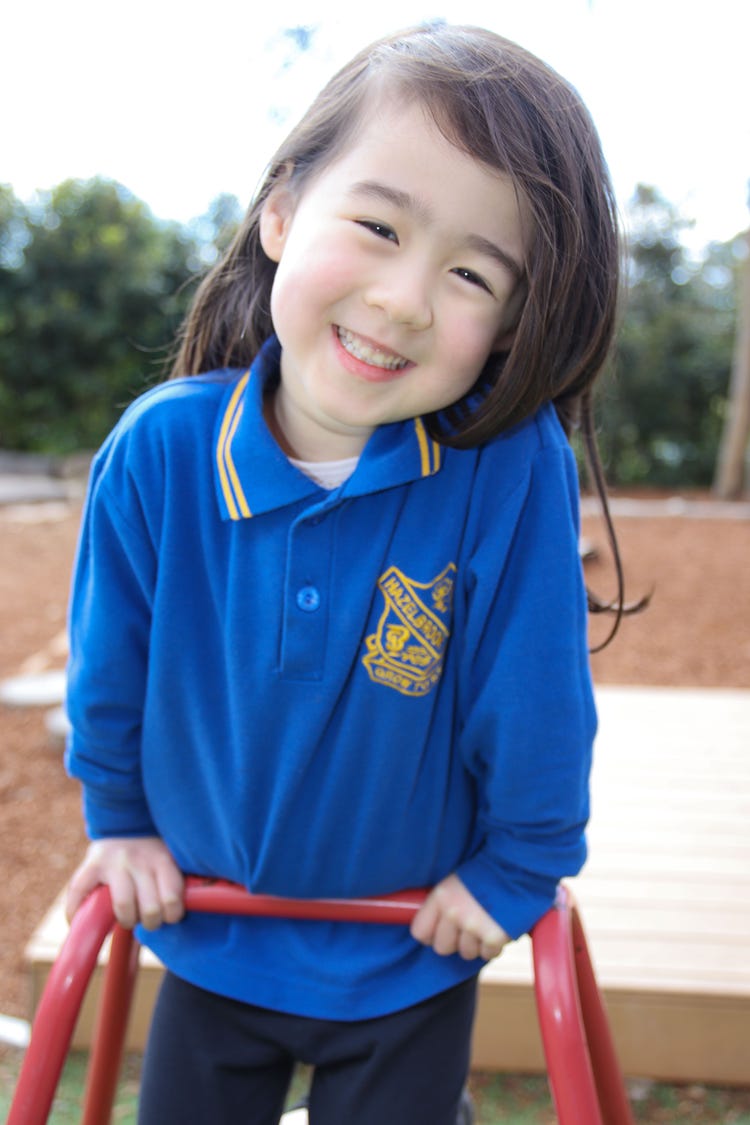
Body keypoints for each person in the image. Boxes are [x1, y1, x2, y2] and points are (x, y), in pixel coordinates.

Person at [64, 22, 628, 1125]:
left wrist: (521, 864)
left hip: (411, 937)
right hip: (214, 932)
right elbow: (112, 659)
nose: (406, 298)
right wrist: (120, 821)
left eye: (470, 273)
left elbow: (536, 692)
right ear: (281, 213)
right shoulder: (162, 452)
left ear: (511, 326)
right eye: (376, 226)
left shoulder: (503, 469)